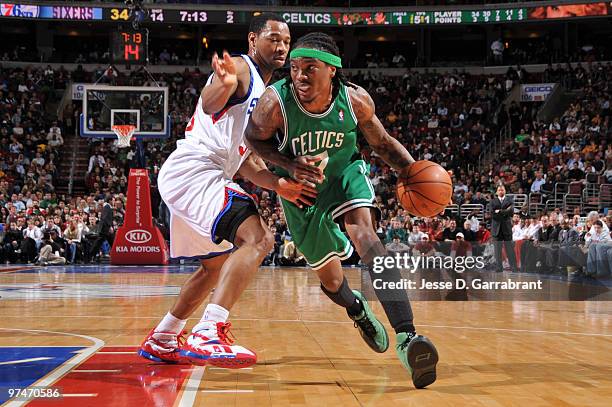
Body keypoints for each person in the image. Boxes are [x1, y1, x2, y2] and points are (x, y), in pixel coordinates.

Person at [245, 32, 438, 389]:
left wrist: (413, 171)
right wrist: (287, 164)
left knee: (365, 235)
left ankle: (407, 336)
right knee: (332, 280)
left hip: (343, 174)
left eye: (310, 69)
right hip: (301, 189)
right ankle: (357, 310)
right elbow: (253, 139)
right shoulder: (275, 102)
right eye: (295, 68)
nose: (300, 75)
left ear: (332, 70)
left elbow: (381, 143)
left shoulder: (355, 100)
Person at [139, 14, 315, 368]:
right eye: (273, 39)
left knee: (214, 268)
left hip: (201, 174)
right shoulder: (241, 68)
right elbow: (209, 102)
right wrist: (221, 83)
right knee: (260, 239)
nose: (281, 46)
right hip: (196, 171)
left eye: (285, 41)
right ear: (253, 40)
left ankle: (163, 337)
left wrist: (281, 185)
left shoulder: (265, 94)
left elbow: (246, 161)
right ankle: (209, 330)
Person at [490, 185, 518, 272]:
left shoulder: (510, 200)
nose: (501, 191)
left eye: (502, 190)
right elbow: (493, 215)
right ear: (497, 192)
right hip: (496, 229)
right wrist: (505, 211)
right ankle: (499, 267)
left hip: (506, 228)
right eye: (499, 190)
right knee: (497, 251)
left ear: (505, 191)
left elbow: (511, 212)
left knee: (510, 249)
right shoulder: (493, 201)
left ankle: (514, 267)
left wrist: (500, 211)